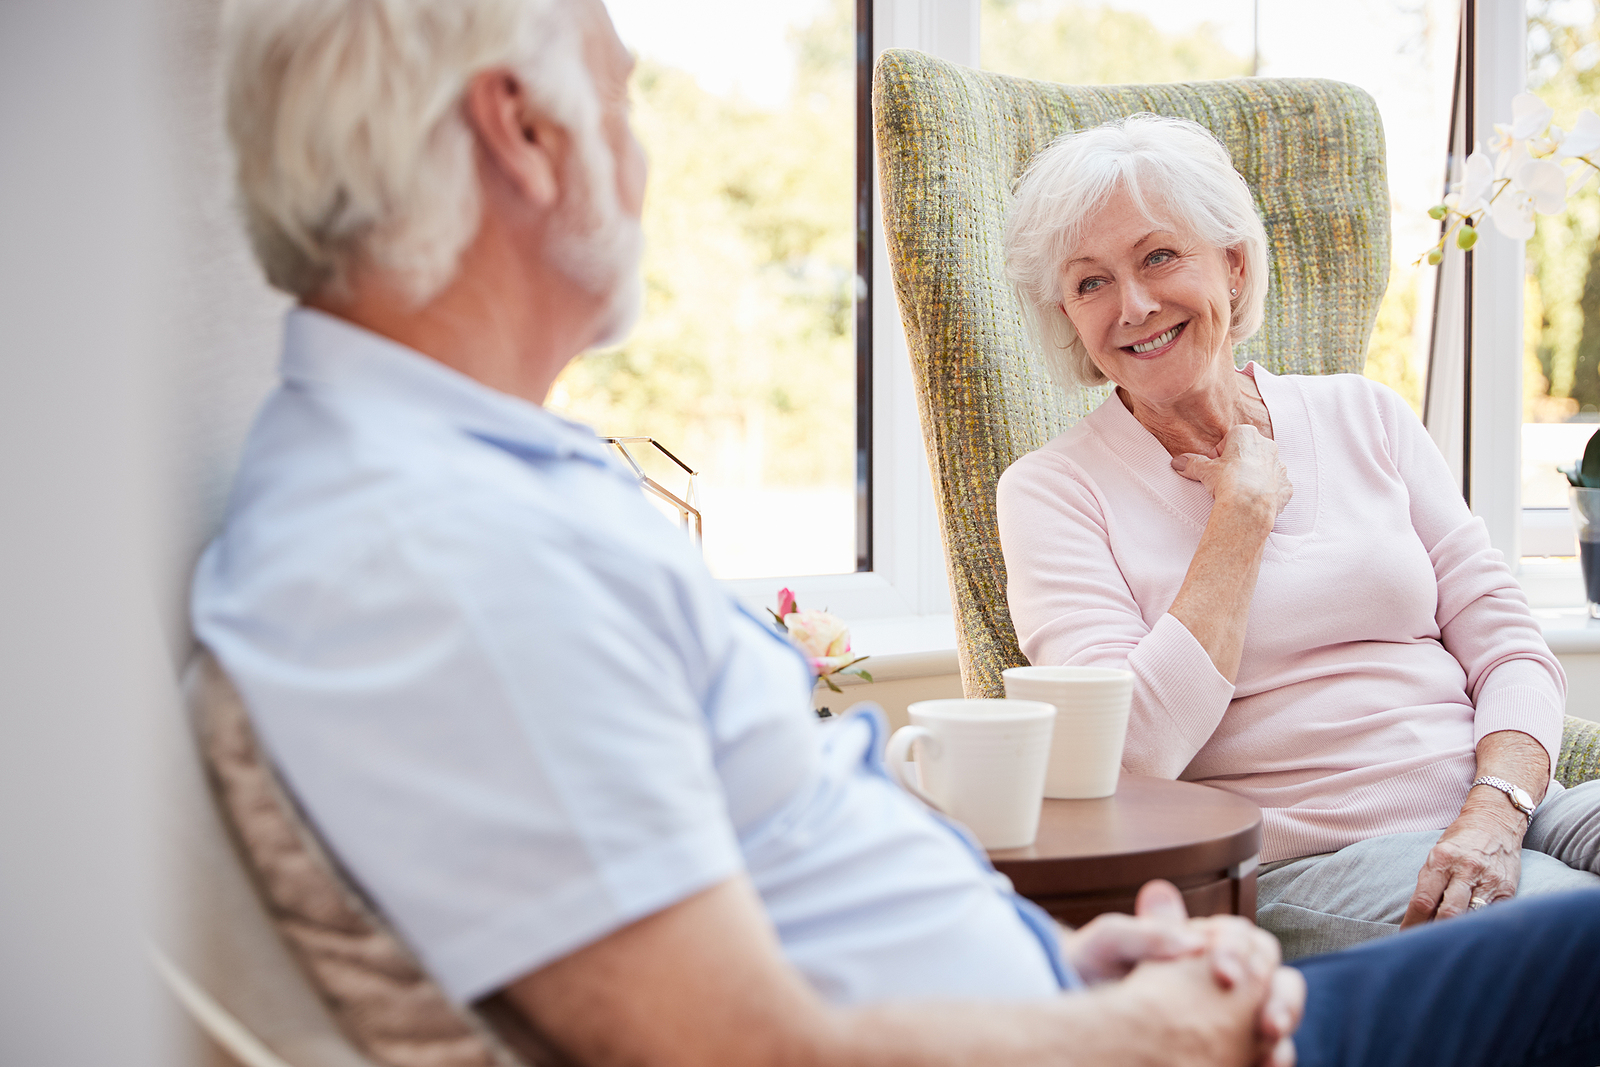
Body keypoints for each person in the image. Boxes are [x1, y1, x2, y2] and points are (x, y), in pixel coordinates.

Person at [192, 2, 1600, 1065]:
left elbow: (795, 894)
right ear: (522, 131)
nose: (646, 152)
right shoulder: (430, 549)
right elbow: (732, 1039)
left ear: (1236, 265)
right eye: (627, 99)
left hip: (1087, 990)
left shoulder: (492, 479)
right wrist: (1129, 1030)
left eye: (1159, 258)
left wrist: (1079, 963)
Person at [997, 112, 1600, 961]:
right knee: (1575, 935)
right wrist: (1239, 517)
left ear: (1233, 265)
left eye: (1158, 256)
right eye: (1090, 282)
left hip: (1505, 799)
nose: (1132, 304)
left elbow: (1509, 646)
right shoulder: (1053, 492)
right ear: (1067, 313)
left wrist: (1497, 807)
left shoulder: (1367, 413)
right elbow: (1126, 751)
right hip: (1315, 861)